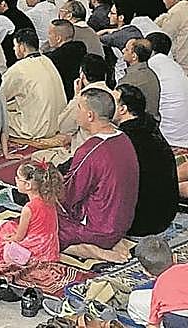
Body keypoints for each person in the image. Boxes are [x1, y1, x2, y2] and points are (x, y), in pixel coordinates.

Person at [58, 89, 140, 260]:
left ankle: (95, 250)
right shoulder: (124, 138)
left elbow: (68, 196)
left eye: (78, 107)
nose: (76, 111)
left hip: (99, 230)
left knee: (41, 226)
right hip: (123, 224)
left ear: (90, 115)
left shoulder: (91, 150)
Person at [115, 84, 178, 241]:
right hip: (166, 213)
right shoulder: (151, 128)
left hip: (141, 221)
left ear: (123, 109)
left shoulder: (124, 139)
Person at [0, 161, 63, 266]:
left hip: (34, 249)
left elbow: (19, 237)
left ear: (27, 185)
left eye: (18, 178)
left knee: (2, 233)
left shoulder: (28, 209)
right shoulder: (50, 200)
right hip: (51, 248)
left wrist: (6, 239)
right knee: (8, 226)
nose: (15, 180)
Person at [2, 29, 67, 139]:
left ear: (21, 47)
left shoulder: (19, 68)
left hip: (37, 128)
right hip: (58, 123)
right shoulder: (47, 60)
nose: (14, 49)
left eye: (15, 46)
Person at [132, 237, 188, 328]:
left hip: (178, 320)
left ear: (146, 272)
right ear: (175, 258)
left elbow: (154, 323)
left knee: (135, 303)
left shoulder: (159, 287)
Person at [121, 38, 163, 124]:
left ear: (134, 56)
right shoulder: (151, 74)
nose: (123, 50)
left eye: (126, 49)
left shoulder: (128, 81)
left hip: (136, 125)